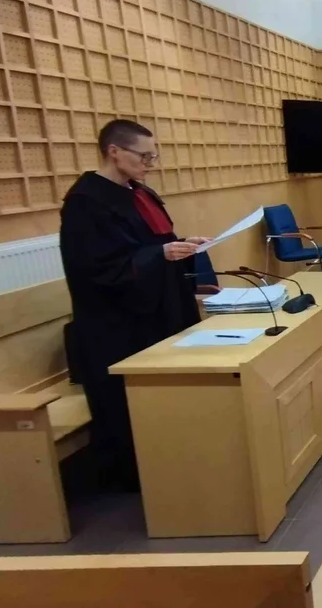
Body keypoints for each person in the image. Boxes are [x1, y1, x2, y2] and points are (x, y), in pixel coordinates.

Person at [60, 119, 211, 491]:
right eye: (144, 157)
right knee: (125, 407)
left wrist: (183, 245)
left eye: (153, 156)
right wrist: (160, 254)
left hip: (160, 308)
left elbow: (155, 242)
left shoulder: (140, 194)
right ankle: (136, 478)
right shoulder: (85, 203)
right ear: (114, 151)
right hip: (119, 323)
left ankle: (178, 459)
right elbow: (96, 268)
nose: (150, 164)